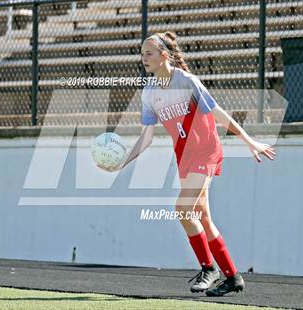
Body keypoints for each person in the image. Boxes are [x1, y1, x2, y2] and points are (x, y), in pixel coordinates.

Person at [99, 32, 276, 296]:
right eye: (142, 53)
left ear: (164, 55)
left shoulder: (187, 82)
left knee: (182, 209)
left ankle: (209, 269)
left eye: (149, 53)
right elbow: (146, 137)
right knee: (202, 217)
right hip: (184, 156)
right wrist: (122, 163)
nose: (144, 57)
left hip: (206, 150)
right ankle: (232, 276)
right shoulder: (149, 93)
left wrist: (249, 141)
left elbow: (218, 114)